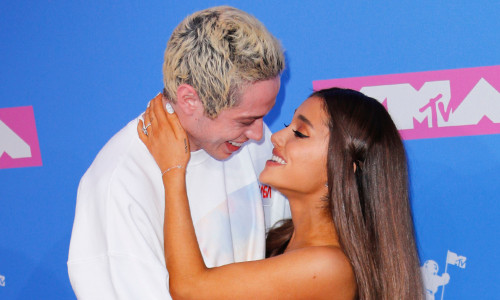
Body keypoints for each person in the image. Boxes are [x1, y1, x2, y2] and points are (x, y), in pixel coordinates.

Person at [68, 6, 289, 299]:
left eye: (264, 115)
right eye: (245, 120)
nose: (260, 134)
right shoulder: (120, 182)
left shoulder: (255, 142)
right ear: (189, 100)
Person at [139, 87, 425, 299]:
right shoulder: (281, 239)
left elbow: (190, 288)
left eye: (300, 134)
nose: (276, 136)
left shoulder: (329, 265)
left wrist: (173, 169)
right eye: (289, 125)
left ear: (346, 167)